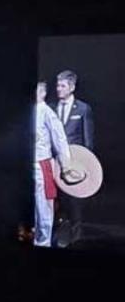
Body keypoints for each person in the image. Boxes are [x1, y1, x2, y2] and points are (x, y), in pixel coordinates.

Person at [34, 82, 79, 247]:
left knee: (43, 207)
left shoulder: (47, 112)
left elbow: (60, 139)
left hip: (41, 165)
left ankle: (43, 242)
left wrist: (65, 165)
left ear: (42, 93)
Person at [54, 70, 95, 246]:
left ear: (72, 87)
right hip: (56, 162)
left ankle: (77, 236)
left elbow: (88, 140)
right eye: (57, 85)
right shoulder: (52, 108)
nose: (58, 89)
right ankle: (60, 233)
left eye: (62, 86)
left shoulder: (84, 109)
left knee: (75, 200)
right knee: (58, 199)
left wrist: (85, 163)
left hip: (76, 162)